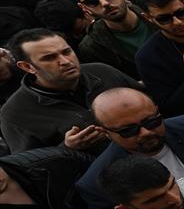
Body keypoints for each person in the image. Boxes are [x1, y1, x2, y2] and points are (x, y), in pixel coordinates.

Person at [1, 28, 136, 154]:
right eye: (49, 58)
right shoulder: (15, 113)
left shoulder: (102, 72)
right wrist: (67, 148)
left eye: (66, 52)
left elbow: (145, 98)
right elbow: (29, 165)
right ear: (27, 67)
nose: (65, 61)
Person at [66, 0, 155, 79]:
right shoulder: (92, 47)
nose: (105, 3)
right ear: (84, 8)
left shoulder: (156, 14)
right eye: (92, 2)